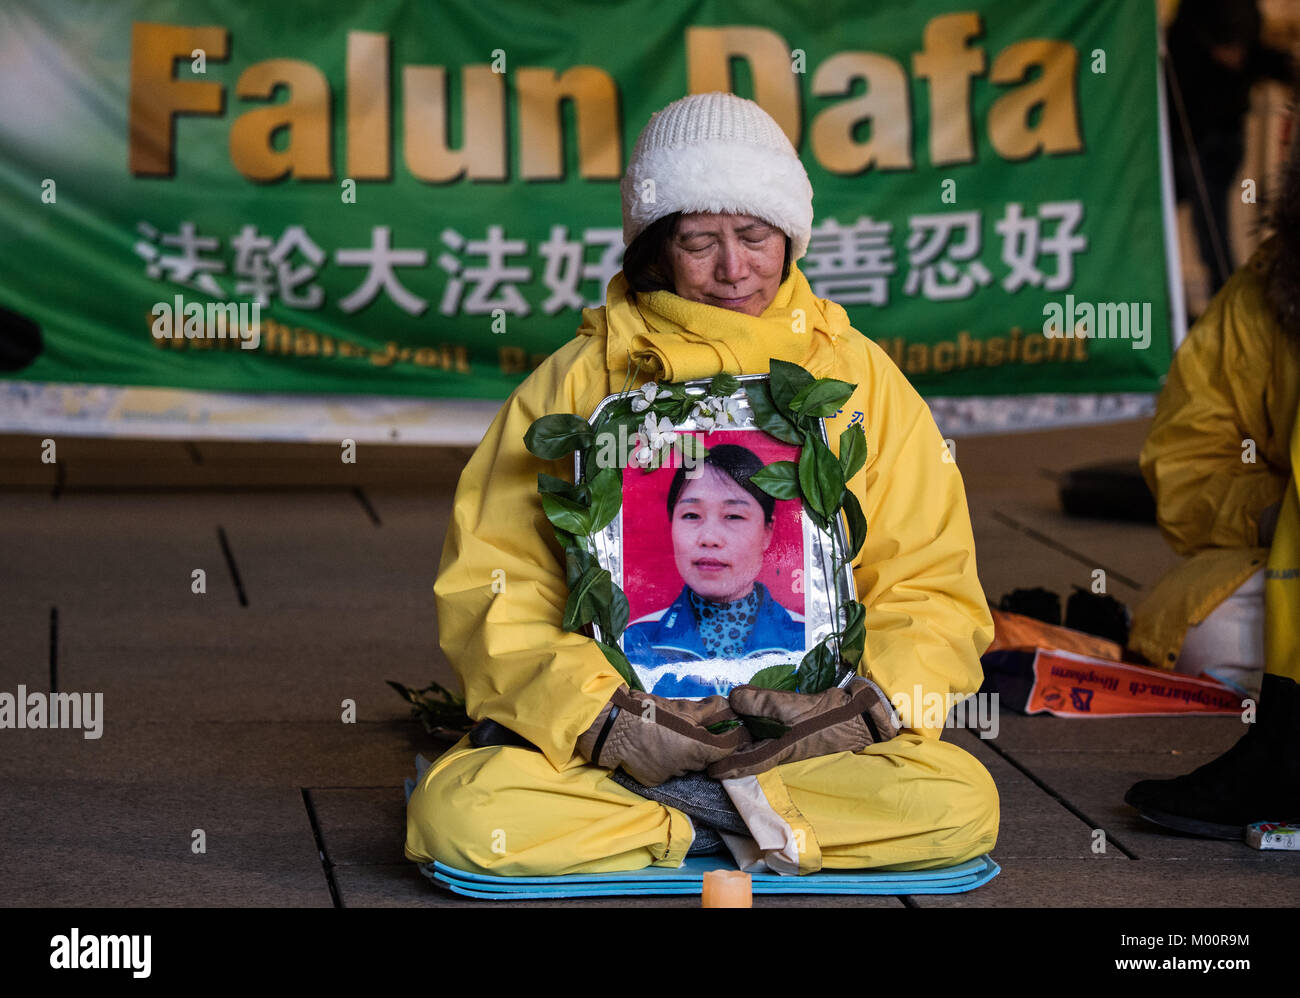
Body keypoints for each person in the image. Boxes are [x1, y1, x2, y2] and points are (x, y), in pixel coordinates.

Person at [406, 91, 999, 876]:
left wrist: (866, 707)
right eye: (698, 242)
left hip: (815, 748)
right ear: (654, 248)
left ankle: (683, 826)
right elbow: (495, 587)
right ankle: (751, 827)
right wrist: (600, 720)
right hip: (615, 753)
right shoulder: (578, 385)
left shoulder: (860, 380)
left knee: (958, 802)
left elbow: (932, 586)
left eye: (754, 236)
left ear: (790, 234)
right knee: (465, 816)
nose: (733, 270)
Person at [1124, 122, 1300, 839]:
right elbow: (1189, 460)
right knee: (1207, 629)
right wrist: (1280, 517)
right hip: (1289, 565)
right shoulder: (1268, 289)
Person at [623, 443, 805, 696]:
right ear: (671, 525)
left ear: (767, 531)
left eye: (733, 516)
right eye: (691, 515)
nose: (709, 538)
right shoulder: (634, 641)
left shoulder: (808, 640)